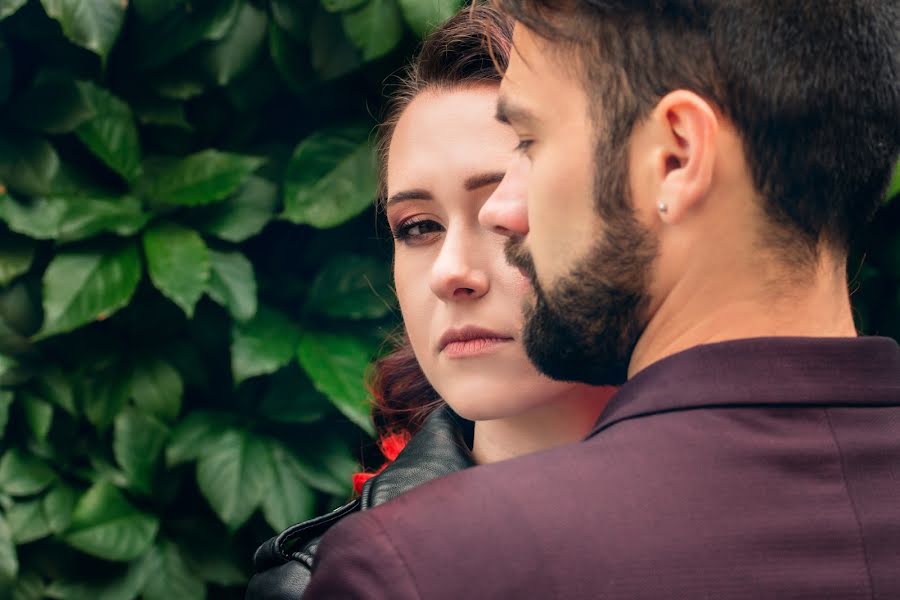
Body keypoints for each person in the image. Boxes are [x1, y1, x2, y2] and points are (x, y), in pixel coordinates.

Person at [303, 1, 900, 598]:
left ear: (677, 155)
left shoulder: (417, 567)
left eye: (530, 146)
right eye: (416, 226)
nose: (509, 213)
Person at [245, 6, 614, 598]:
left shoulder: (774, 504)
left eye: (505, 213)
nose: (451, 274)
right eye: (418, 226)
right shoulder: (326, 582)